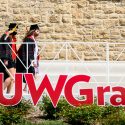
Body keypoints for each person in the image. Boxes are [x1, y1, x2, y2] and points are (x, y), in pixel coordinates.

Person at [16, 24, 40, 92]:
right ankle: (29, 91)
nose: (39, 33)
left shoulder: (32, 39)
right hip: (28, 61)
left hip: (31, 60)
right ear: (34, 31)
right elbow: (28, 51)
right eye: (37, 31)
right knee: (31, 75)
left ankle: (26, 88)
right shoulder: (29, 39)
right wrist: (32, 61)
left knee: (32, 75)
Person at [0, 23, 18, 93]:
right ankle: (1, 93)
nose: (16, 30)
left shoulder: (10, 36)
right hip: (6, 59)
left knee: (12, 78)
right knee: (12, 77)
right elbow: (6, 47)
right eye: (15, 29)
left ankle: (8, 94)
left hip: (10, 59)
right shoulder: (6, 35)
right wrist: (6, 59)